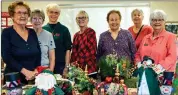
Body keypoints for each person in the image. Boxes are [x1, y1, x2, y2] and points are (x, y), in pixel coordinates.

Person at [135, 10, 177, 94]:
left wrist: (159, 67)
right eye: (154, 20)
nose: (157, 22)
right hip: (145, 74)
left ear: (164, 21)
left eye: (160, 19)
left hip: (163, 75)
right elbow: (138, 54)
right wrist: (139, 63)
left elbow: (173, 56)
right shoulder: (146, 38)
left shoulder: (171, 37)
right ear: (151, 22)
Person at [1, 1, 41, 84]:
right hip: (14, 79)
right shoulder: (6, 33)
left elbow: (38, 53)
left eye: (25, 13)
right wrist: (25, 72)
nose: (23, 16)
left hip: (32, 77)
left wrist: (36, 70)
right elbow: (6, 57)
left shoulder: (32, 32)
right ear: (12, 15)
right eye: (19, 13)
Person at [97, 10, 136, 80]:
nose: (114, 22)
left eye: (116, 19)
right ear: (108, 21)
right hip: (107, 77)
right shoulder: (103, 36)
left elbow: (133, 52)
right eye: (111, 20)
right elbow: (99, 56)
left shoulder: (127, 34)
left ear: (120, 20)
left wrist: (132, 69)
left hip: (125, 75)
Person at [43, 4, 72, 75]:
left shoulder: (64, 29)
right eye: (51, 12)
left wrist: (66, 66)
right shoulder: (43, 29)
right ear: (47, 13)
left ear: (59, 14)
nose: (53, 14)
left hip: (61, 66)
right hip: (45, 65)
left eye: (56, 13)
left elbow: (68, 49)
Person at [70, 10, 97, 77]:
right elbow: (73, 53)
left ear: (87, 20)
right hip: (77, 71)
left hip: (89, 69)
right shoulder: (76, 35)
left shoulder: (91, 32)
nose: (81, 20)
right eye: (79, 18)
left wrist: (78, 64)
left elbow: (91, 52)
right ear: (76, 20)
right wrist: (72, 65)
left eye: (83, 17)